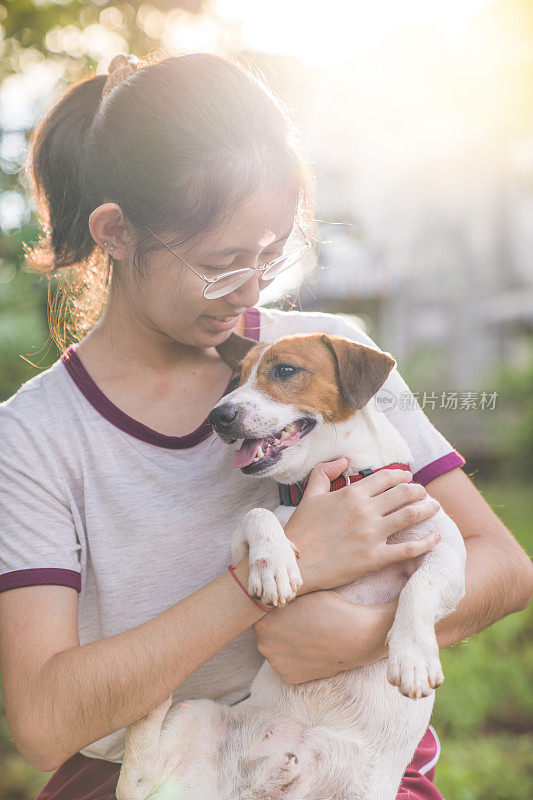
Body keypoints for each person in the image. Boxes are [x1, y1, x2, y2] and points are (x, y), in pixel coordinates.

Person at [0, 52, 531, 800]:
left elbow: (504, 567)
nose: (248, 290)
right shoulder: (34, 438)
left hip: (350, 763)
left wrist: (359, 635)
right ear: (116, 233)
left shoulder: (330, 350)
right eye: (221, 265)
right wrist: (274, 576)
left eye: (271, 256)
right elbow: (46, 721)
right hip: (152, 768)